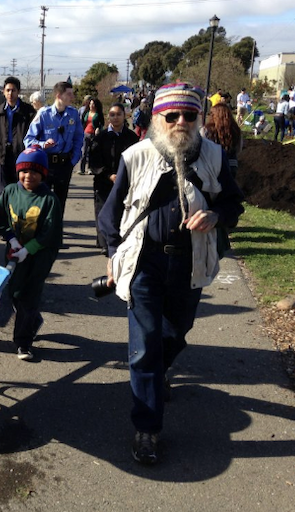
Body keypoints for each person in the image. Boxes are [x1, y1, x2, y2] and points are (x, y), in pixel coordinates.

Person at [98, 83, 244, 465]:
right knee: (144, 346)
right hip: (144, 262)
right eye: (172, 116)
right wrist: (112, 254)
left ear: (198, 118)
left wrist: (216, 216)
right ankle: (147, 428)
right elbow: (108, 215)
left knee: (176, 333)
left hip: (190, 262)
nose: (181, 122)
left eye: (189, 115)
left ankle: (158, 371)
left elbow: (232, 204)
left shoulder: (213, 155)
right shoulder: (135, 156)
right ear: (158, 119)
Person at [0, 146, 62, 361]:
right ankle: (33, 320)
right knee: (14, 292)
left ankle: (23, 343)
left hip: (39, 257)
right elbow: (0, 220)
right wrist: (11, 239)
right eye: (24, 171)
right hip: (14, 252)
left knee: (29, 297)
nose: (28, 176)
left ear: (42, 174)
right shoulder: (10, 191)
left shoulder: (49, 200)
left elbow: (51, 233)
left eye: (34, 172)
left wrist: (29, 250)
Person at [24, 80, 83, 219]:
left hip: (64, 164)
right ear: (59, 95)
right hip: (46, 164)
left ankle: (56, 230)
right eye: (69, 94)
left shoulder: (73, 114)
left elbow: (78, 138)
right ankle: (41, 230)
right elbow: (28, 140)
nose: (72, 97)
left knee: (60, 201)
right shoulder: (44, 114)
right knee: (42, 199)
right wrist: (43, 144)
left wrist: (73, 160)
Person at [89, 103, 139, 253]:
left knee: (122, 211)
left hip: (125, 182)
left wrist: (125, 176)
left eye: (118, 114)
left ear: (124, 116)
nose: (115, 117)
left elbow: (137, 159)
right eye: (112, 114)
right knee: (103, 210)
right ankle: (104, 243)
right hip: (104, 181)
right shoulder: (101, 137)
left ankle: (120, 240)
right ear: (108, 117)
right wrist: (108, 175)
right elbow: (94, 161)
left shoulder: (131, 137)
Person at [0, 76, 36, 197]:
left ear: (18, 91)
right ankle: (4, 215)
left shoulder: (28, 111)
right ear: (3, 92)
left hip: (21, 155)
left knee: (21, 190)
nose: (10, 93)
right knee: (3, 192)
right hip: (2, 155)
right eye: (8, 90)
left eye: (13, 90)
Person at [202, 103, 243, 179]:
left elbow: (202, 149)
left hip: (212, 166)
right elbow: (239, 149)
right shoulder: (236, 130)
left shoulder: (206, 130)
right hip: (231, 165)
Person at [79, 98, 104, 175]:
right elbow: (82, 122)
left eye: (93, 104)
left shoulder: (98, 114)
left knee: (92, 152)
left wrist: (98, 128)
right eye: (90, 104)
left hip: (94, 134)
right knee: (84, 151)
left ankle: (90, 168)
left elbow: (102, 123)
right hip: (86, 133)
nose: (91, 105)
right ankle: (82, 169)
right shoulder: (86, 113)